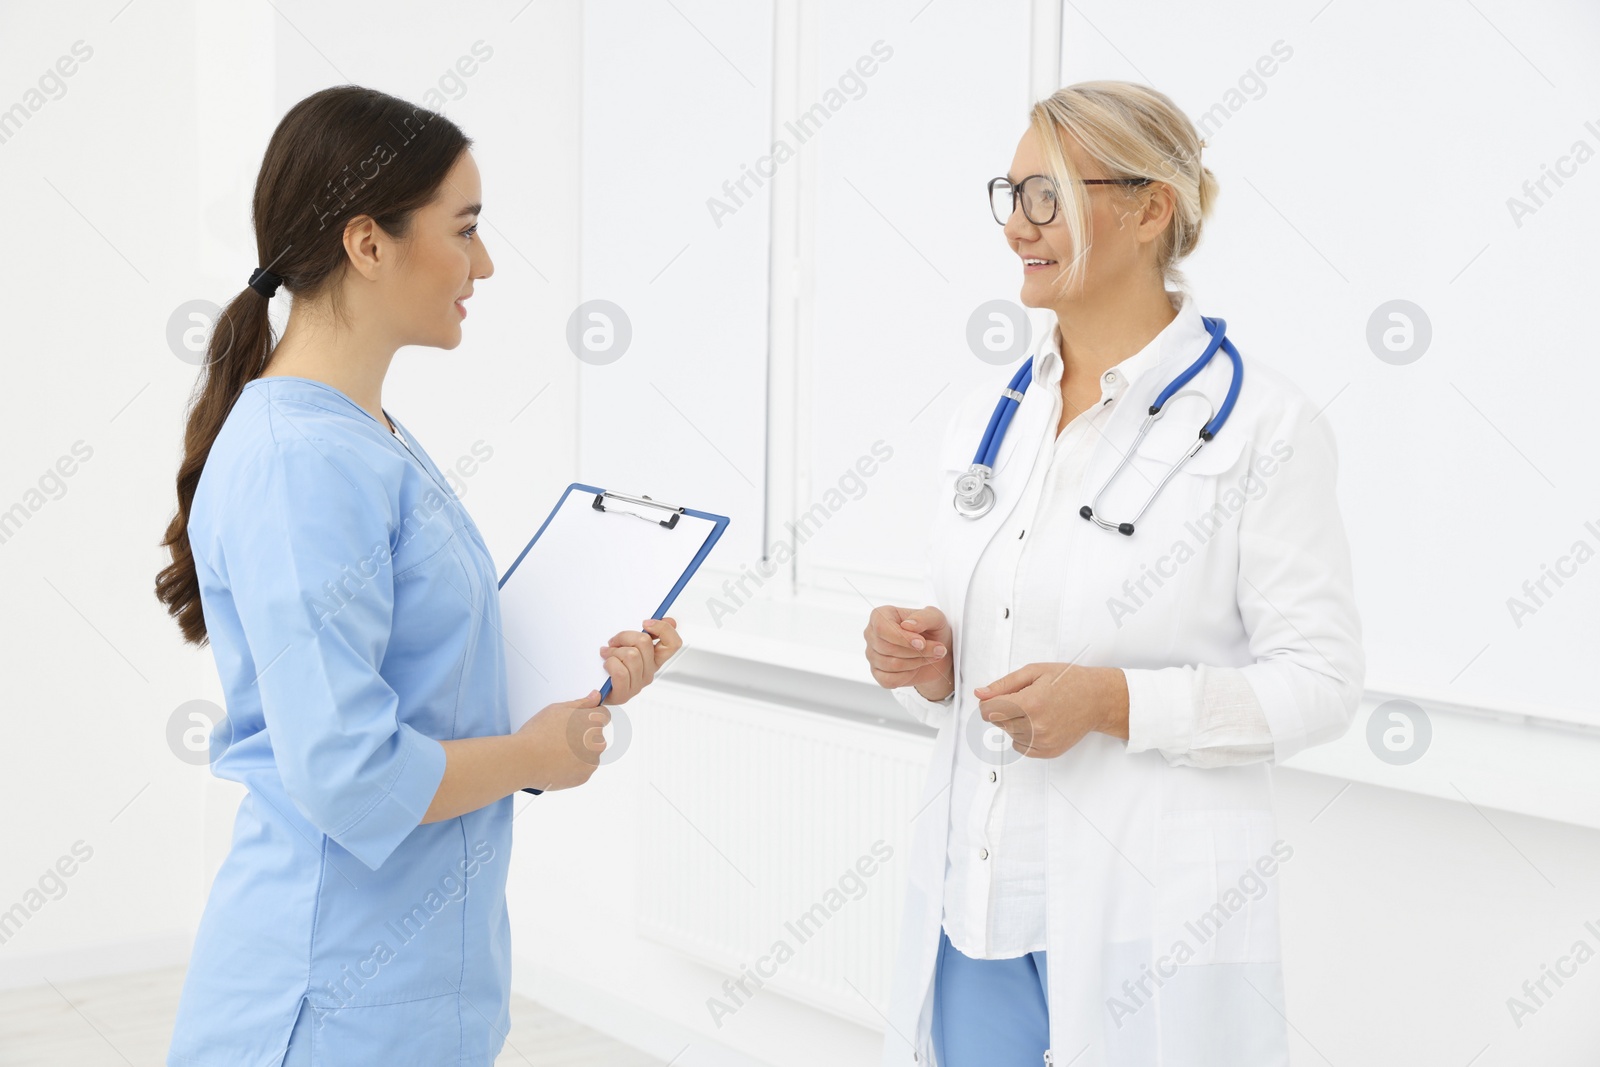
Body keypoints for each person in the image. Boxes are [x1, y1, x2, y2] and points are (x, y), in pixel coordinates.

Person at [154, 85, 680, 1066]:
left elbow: (427, 682)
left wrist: (574, 688)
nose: (482, 264)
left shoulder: (364, 436)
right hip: (323, 995)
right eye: (466, 229)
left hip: (411, 984)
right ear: (368, 243)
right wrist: (529, 756)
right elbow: (349, 774)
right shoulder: (300, 460)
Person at [863, 81, 1364, 1067]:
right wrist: (933, 666)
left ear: (1148, 209)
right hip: (981, 900)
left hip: (1145, 911)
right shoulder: (987, 414)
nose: (1016, 226)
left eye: (1045, 195)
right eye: (1006, 195)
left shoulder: (1264, 422)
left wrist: (1111, 701)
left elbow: (1321, 682)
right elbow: (1001, 637)